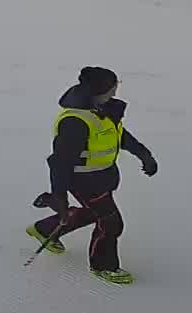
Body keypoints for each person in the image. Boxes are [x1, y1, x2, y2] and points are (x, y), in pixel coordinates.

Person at [27, 66, 157, 285]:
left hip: (103, 177)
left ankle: (44, 229)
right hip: (84, 181)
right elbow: (59, 162)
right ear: (101, 89)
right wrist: (59, 196)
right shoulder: (75, 122)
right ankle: (104, 266)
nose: (117, 88)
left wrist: (144, 155)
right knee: (111, 223)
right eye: (114, 84)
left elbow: (120, 136)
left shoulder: (102, 108)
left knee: (92, 213)